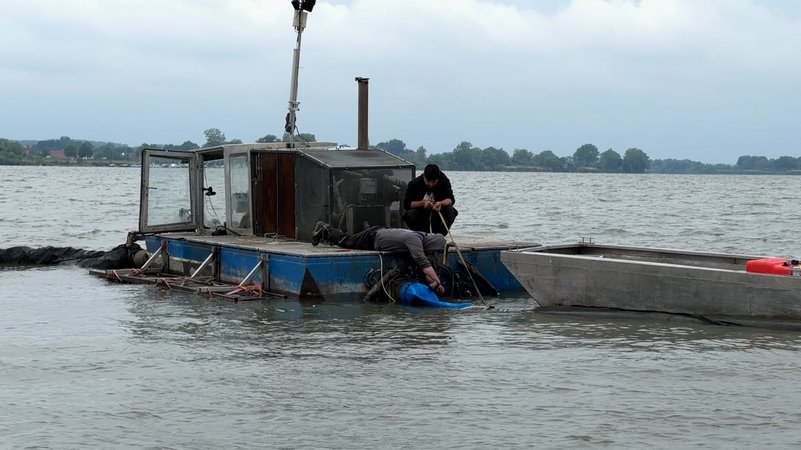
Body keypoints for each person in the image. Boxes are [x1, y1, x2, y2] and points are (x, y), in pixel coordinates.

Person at [311, 222, 447, 295]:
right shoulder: (415, 240)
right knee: (346, 241)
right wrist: (438, 281)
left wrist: (434, 285)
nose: (434, 254)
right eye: (435, 251)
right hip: (373, 237)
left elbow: (423, 267)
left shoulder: (420, 238)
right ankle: (325, 228)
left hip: (383, 233)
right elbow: (423, 263)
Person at [402, 164, 457, 235]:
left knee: (451, 211)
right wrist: (423, 203)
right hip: (420, 215)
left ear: (438, 178)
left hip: (438, 213)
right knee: (410, 214)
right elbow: (407, 204)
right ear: (424, 177)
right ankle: (419, 235)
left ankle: (440, 236)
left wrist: (440, 203)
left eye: (433, 182)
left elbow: (451, 200)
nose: (430, 184)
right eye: (428, 181)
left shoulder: (444, 181)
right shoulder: (414, 184)